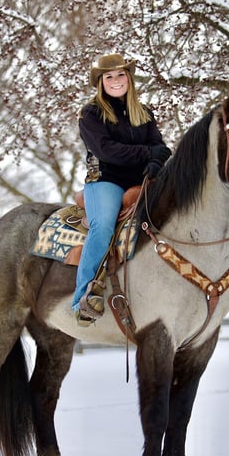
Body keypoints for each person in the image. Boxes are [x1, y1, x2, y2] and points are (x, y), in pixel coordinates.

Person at [72, 53, 171, 325]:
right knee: (102, 226)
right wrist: (149, 153)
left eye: (120, 75)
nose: (115, 80)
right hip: (107, 180)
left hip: (142, 181)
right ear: (101, 82)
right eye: (109, 76)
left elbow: (161, 147)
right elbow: (106, 150)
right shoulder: (90, 114)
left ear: (129, 78)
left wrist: (154, 160)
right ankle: (83, 297)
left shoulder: (144, 113)